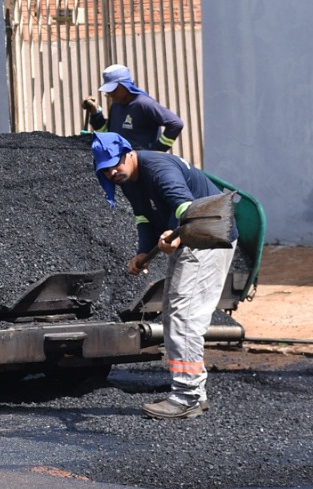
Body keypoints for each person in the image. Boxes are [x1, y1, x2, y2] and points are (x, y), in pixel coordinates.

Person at [91, 131, 236, 421]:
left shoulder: (158, 168)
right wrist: (143, 252)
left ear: (128, 153)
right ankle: (193, 392)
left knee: (185, 317)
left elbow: (184, 206)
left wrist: (175, 234)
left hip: (207, 239)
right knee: (174, 315)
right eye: (104, 168)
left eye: (115, 163)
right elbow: (144, 217)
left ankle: (187, 397)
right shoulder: (129, 181)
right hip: (193, 239)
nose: (111, 171)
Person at [82, 64, 183, 152]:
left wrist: (156, 150)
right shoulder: (116, 106)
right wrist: (96, 114)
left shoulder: (143, 104)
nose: (110, 93)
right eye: (108, 90)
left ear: (125, 85)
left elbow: (176, 124)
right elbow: (107, 134)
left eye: (114, 89)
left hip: (142, 166)